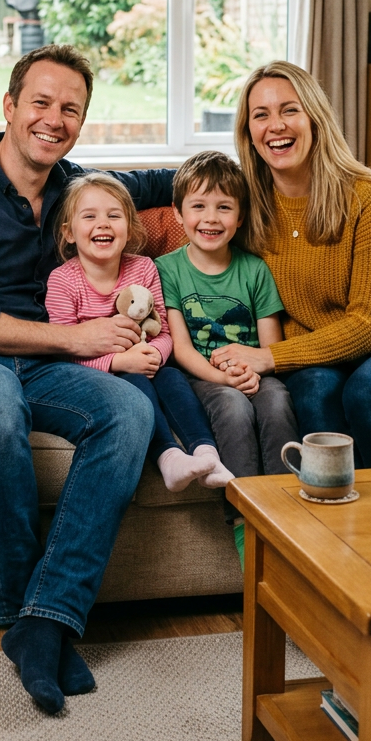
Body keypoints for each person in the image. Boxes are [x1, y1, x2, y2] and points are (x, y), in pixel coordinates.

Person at [0, 44, 174, 716]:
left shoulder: (78, 191)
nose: (54, 119)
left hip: (38, 365)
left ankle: (43, 622)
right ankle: (27, 614)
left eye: (70, 109)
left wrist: (250, 166)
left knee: (130, 411)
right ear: (10, 106)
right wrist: (76, 338)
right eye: (40, 103)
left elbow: (160, 181)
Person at [209, 61, 371, 470]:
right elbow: (192, 210)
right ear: (248, 132)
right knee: (313, 393)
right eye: (261, 115)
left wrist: (269, 357)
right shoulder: (245, 205)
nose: (276, 126)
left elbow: (370, 325)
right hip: (316, 361)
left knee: (367, 392)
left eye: (289, 110)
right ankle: (334, 508)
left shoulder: (366, 195)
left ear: (315, 118)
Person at [45, 172, 233, 493]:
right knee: (135, 383)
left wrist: (155, 354)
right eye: (89, 216)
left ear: (130, 228)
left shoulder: (143, 268)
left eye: (114, 215)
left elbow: (164, 331)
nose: (103, 224)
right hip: (99, 376)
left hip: (147, 363)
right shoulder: (63, 281)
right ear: (69, 232)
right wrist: (118, 363)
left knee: (172, 377)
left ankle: (207, 454)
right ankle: (168, 457)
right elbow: (63, 351)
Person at [154, 150, 298, 567]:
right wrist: (224, 379)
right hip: (201, 376)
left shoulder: (254, 270)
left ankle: (287, 510)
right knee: (234, 408)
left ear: (240, 216)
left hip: (254, 373)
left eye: (224, 207)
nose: (210, 218)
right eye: (198, 206)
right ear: (179, 213)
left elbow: (269, 345)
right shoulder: (167, 269)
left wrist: (249, 369)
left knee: (277, 400)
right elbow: (181, 349)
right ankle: (242, 521)